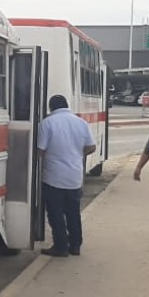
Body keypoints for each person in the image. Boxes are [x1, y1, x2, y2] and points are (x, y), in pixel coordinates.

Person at [37, 95, 96, 257]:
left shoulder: (47, 123)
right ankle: (75, 245)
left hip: (53, 176)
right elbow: (91, 147)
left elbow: (40, 150)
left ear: (51, 107)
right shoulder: (81, 123)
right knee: (73, 212)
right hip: (74, 176)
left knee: (55, 213)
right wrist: (76, 154)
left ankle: (60, 246)